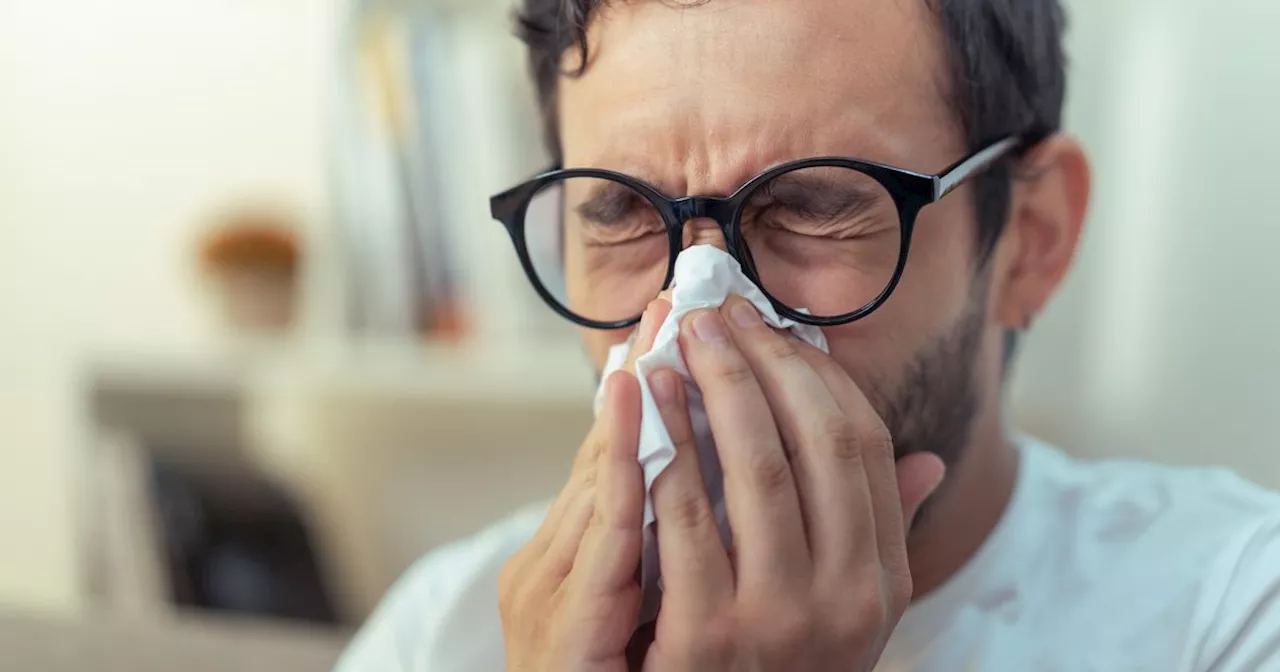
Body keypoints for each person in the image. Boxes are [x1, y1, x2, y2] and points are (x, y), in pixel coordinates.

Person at [337, 0, 1280, 669]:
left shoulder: (1230, 611)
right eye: (621, 214)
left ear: (1031, 241)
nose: (697, 317)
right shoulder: (446, 630)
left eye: (816, 206)